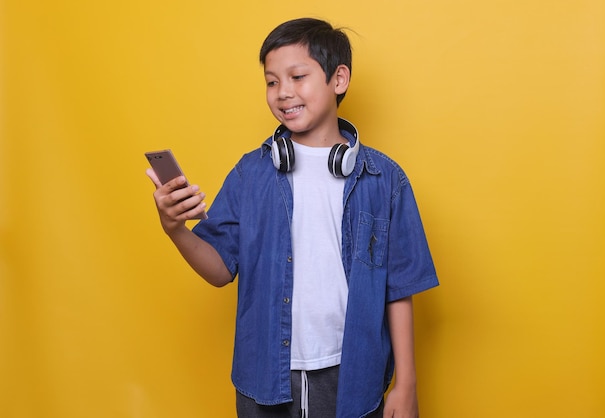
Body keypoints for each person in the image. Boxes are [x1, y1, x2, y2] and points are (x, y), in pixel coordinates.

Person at [147, 17, 439, 418]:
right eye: (271, 82)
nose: (283, 93)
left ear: (338, 79)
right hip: (265, 377)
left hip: (353, 375)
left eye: (297, 77)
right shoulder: (251, 173)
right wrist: (175, 228)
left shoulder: (383, 178)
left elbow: (398, 286)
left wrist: (406, 384)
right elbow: (218, 270)